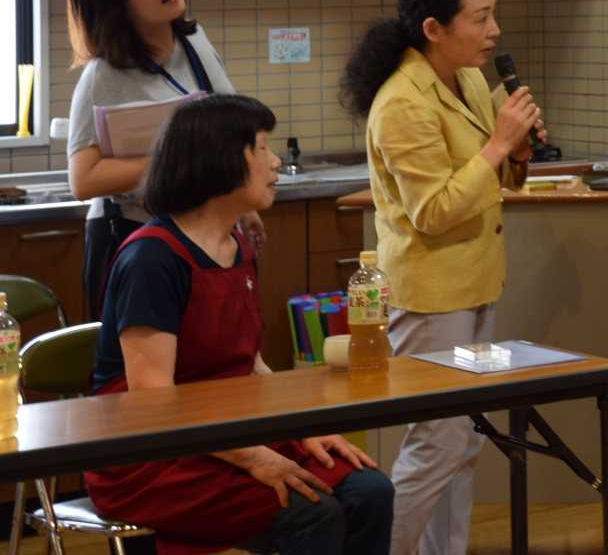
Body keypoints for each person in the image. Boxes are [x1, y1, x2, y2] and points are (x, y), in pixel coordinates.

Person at [86, 94, 394, 555]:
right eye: (263, 148)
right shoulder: (151, 259)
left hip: (226, 430)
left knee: (371, 492)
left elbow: (250, 366)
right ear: (222, 160)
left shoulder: (238, 247)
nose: (274, 164)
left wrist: (299, 430)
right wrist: (253, 455)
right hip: (150, 456)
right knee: (311, 511)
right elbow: (153, 402)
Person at [340, 0, 541, 555]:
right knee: (437, 443)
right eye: (480, 18)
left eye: (493, 15)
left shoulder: (471, 78)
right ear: (434, 28)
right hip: (430, 295)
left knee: (465, 440)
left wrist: (518, 150)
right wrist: (499, 143)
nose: (494, 31)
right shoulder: (401, 101)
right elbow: (432, 210)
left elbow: (495, 176)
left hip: (475, 280)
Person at [64, 0, 247, 317]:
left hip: (205, 228)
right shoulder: (102, 75)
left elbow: (231, 124)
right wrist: (177, 162)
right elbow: (84, 180)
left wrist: (243, 204)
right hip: (135, 237)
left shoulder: (196, 42)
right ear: (116, 5)